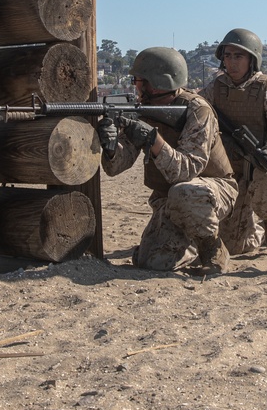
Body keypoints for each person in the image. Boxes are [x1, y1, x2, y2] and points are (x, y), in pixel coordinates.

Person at [96, 46, 238, 275]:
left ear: (155, 83)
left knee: (184, 191)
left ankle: (213, 249)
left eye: (139, 80)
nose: (136, 86)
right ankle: (188, 244)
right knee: (151, 262)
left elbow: (188, 170)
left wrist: (153, 141)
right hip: (170, 200)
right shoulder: (145, 110)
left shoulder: (197, 110)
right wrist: (111, 148)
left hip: (211, 192)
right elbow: (117, 167)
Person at [200, 28, 267, 261]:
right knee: (235, 247)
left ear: (252, 59)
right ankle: (258, 232)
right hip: (231, 169)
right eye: (228, 56)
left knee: (265, 174)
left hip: (259, 166)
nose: (231, 62)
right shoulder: (215, 88)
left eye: (238, 56)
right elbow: (197, 112)